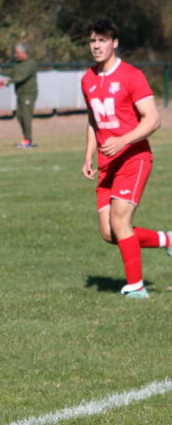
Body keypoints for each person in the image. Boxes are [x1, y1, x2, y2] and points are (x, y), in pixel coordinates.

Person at [80, 19, 169, 299]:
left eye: (102, 40)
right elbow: (94, 120)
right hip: (107, 165)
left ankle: (136, 286)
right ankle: (167, 239)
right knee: (109, 233)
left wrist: (122, 140)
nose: (96, 46)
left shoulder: (131, 76)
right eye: (93, 40)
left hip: (134, 158)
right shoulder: (87, 79)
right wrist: (88, 155)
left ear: (115, 43)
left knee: (120, 222)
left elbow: (153, 120)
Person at [0, 43, 38, 148]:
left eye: (18, 53)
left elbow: (21, 77)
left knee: (26, 117)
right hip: (20, 94)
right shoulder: (18, 63)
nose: (16, 55)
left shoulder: (30, 64)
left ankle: (28, 140)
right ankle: (25, 138)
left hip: (28, 94)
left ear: (24, 53)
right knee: (19, 116)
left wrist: (8, 82)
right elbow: (13, 73)